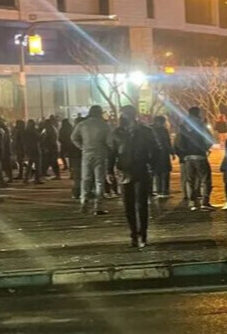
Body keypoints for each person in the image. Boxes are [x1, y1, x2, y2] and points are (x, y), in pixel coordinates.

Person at [109, 105, 159, 248]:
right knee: (128, 205)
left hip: (141, 169)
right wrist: (109, 171)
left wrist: (152, 165)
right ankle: (134, 235)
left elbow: (155, 149)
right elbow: (111, 152)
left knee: (142, 204)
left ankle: (143, 235)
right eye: (123, 115)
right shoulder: (117, 133)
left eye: (127, 114)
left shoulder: (145, 131)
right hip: (125, 171)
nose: (125, 117)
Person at [71, 105, 111, 215]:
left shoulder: (83, 124)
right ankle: (98, 206)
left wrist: (82, 146)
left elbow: (73, 137)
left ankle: (84, 202)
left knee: (86, 179)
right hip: (100, 154)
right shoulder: (104, 125)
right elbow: (110, 142)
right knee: (99, 181)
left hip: (86, 153)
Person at [174, 106, 215, 211]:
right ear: (198, 113)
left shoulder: (183, 126)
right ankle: (205, 202)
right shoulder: (201, 125)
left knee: (190, 180)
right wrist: (205, 148)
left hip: (188, 157)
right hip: (200, 155)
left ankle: (192, 202)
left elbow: (178, 142)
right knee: (205, 180)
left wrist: (183, 154)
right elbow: (210, 140)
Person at [150, 115, 174, 197]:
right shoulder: (163, 130)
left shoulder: (150, 129)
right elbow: (167, 143)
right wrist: (172, 152)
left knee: (157, 172)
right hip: (162, 154)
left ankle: (159, 190)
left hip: (154, 155)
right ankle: (164, 190)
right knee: (164, 172)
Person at [22, 119, 43, 184]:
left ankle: (26, 178)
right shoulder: (33, 130)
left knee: (30, 164)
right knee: (37, 164)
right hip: (35, 148)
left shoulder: (25, 131)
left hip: (29, 149)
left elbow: (24, 141)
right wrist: (43, 135)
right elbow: (39, 138)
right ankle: (37, 179)